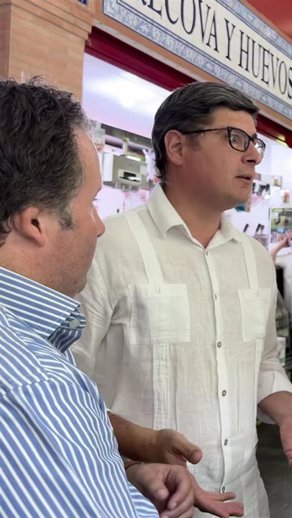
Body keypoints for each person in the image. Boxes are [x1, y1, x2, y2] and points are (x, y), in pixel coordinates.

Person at [73, 81, 292, 517]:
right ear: (177, 146)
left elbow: (261, 363)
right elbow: (68, 389)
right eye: (234, 138)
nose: (254, 155)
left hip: (246, 499)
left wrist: (290, 414)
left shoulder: (254, 258)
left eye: (254, 142)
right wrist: (131, 461)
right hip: (146, 502)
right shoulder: (108, 247)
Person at [0, 78, 197, 517]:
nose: (99, 225)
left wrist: (120, 473)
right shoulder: (36, 385)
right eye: (91, 203)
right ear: (35, 223)